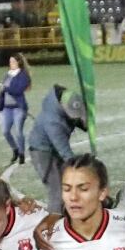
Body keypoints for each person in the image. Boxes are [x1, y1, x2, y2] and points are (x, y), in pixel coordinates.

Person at [27, 83, 84, 215]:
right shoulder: (52, 122)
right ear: (62, 107)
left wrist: (85, 122)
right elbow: (64, 151)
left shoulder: (73, 98)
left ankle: (69, 213)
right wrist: (79, 166)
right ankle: (54, 221)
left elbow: (79, 115)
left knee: (70, 181)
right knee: (56, 188)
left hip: (54, 148)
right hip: (42, 152)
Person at [0, 52, 34, 160]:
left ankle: (21, 154)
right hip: (7, 108)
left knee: (18, 131)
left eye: (13, 61)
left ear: (18, 62)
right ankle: (15, 149)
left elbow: (18, 90)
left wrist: (5, 88)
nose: (10, 63)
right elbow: (2, 94)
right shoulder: (7, 75)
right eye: (10, 61)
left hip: (19, 108)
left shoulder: (24, 76)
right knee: (5, 131)